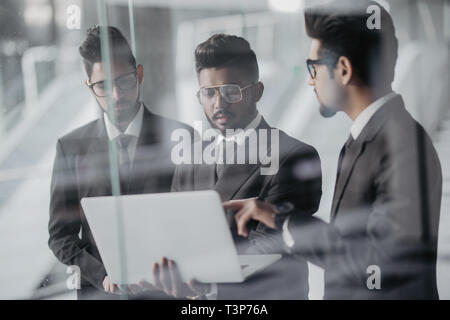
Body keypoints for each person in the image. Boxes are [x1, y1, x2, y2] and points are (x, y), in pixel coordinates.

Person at [231, 1, 442, 299]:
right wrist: (276, 215)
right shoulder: (367, 137)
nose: (309, 80)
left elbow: (378, 265)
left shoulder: (401, 142)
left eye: (312, 67)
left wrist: (289, 223)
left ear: (343, 69)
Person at [148, 34, 322, 300]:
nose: (219, 104)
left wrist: (205, 282)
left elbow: (272, 247)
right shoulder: (190, 159)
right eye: (208, 93)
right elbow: (176, 232)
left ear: (257, 91)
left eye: (231, 91)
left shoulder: (294, 156)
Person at [48, 25, 194, 300]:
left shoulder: (181, 137)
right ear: (90, 88)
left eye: (124, 81)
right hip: (101, 293)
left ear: (139, 74)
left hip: (166, 290)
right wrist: (103, 274)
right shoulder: (70, 147)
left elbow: (195, 221)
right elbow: (60, 236)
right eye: (103, 85)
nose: (116, 95)